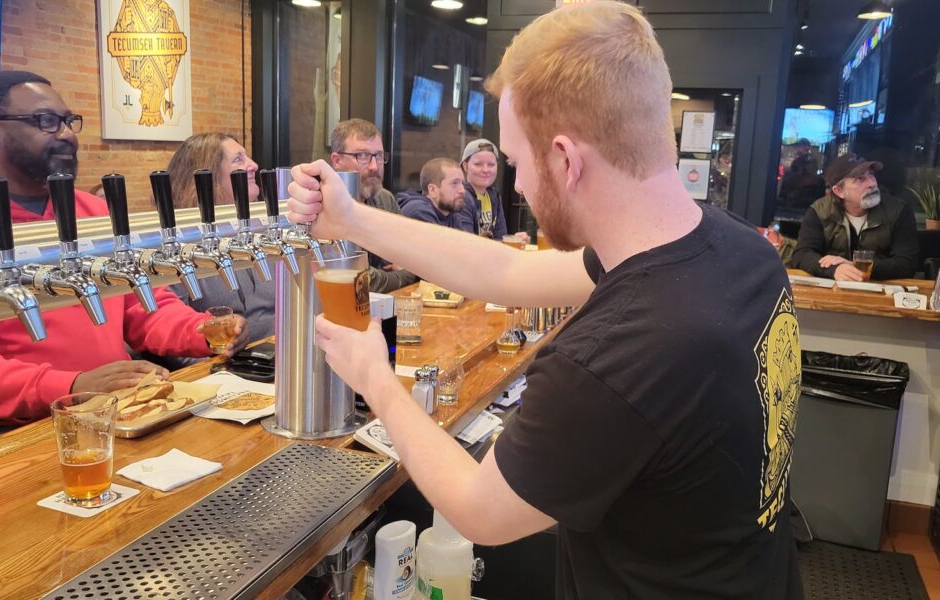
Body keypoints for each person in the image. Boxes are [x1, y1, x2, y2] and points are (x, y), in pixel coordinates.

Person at [288, 3, 802, 598]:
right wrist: (352, 221)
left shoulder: (614, 354)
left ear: (564, 158)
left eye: (514, 161)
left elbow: (480, 511)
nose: (517, 183)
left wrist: (375, 379)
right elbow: (510, 270)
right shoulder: (743, 251)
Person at [0, 71, 247, 463]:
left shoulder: (91, 211)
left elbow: (143, 304)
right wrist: (70, 385)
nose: (67, 134)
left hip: (106, 409)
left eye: (69, 121)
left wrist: (201, 332)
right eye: (45, 121)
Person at [163, 132, 276, 345]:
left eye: (247, 157)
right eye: (238, 159)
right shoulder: (178, 246)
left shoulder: (263, 230)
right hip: (223, 364)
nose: (253, 165)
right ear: (209, 177)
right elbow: (172, 332)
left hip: (280, 350)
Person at [790, 153, 918, 280]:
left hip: (881, 290)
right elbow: (802, 254)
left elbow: (907, 264)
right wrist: (834, 269)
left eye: (871, 175)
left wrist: (858, 267)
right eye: (860, 179)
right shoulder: (819, 211)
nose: (872, 184)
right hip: (834, 289)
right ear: (839, 191)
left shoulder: (898, 210)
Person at [329, 118, 418, 292]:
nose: (374, 166)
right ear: (337, 160)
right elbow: (356, 280)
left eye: (378, 156)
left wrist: (406, 267)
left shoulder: (384, 199)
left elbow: (409, 254)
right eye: (362, 156)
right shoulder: (326, 207)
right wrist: (405, 276)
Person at [459, 138, 528, 243]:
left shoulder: (493, 196)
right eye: (478, 164)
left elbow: (500, 236)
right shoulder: (460, 196)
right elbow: (467, 243)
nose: (486, 170)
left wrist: (513, 240)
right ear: (465, 166)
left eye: (491, 165)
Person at [396, 158, 472, 231]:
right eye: (454, 183)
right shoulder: (419, 212)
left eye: (462, 183)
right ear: (432, 190)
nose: (462, 190)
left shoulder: (450, 214)